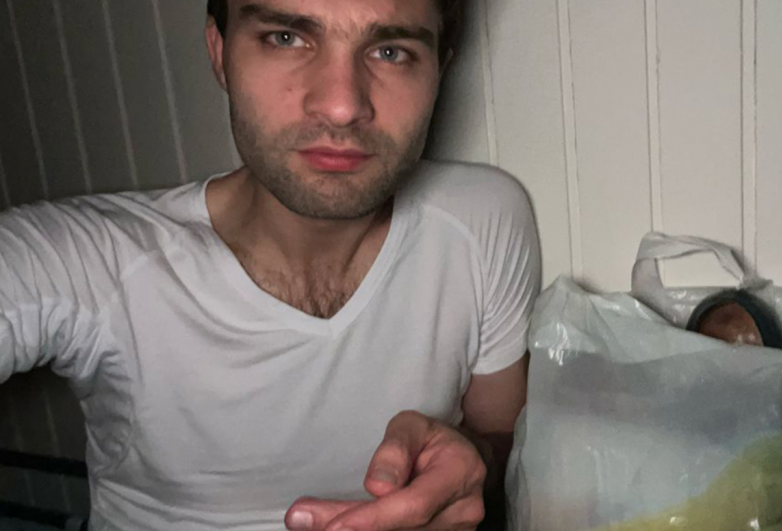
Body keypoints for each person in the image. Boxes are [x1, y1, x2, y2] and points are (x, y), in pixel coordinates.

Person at [0, 0, 541, 529]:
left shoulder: (481, 218)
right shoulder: (91, 259)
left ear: (439, 70)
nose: (341, 106)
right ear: (220, 52)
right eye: (286, 38)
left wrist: (473, 464)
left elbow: (500, 443)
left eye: (391, 52)